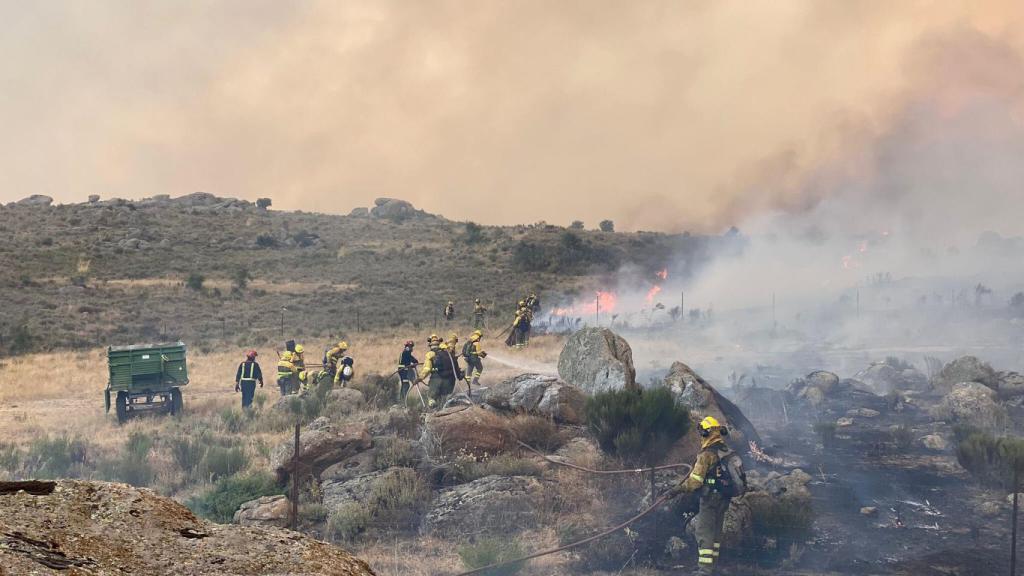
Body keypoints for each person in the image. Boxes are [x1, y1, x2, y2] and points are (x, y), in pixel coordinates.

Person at [667, 416, 746, 575]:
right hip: (724, 497)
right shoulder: (726, 451)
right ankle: (712, 567)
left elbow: (695, 481)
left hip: (710, 498)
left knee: (704, 532)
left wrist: (676, 489)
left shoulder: (706, 455)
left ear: (705, 433)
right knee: (716, 532)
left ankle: (704, 570)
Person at [418, 336, 462, 408]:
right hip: (450, 381)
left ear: (430, 345)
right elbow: (456, 369)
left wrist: (420, 378)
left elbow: (427, 369)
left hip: (436, 380)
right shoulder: (450, 354)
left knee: (431, 399)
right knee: (445, 400)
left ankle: (433, 414)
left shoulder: (430, 354)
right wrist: (460, 376)